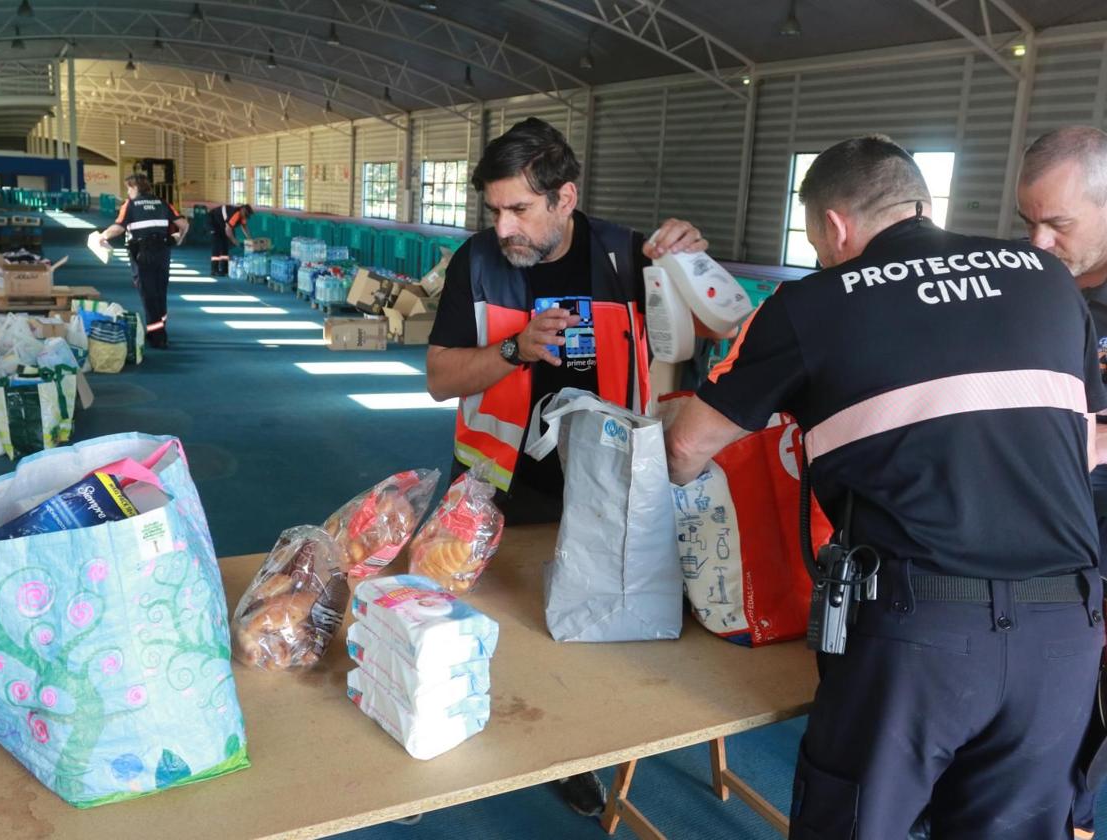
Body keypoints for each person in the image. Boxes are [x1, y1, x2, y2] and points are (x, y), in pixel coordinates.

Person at [666, 134, 1106, 839]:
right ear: (918, 202)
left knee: (861, 822)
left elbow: (686, 447)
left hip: (920, 631)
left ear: (835, 226)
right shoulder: (1046, 279)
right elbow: (1085, 448)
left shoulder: (811, 304)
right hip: (1064, 632)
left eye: (816, 241)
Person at [425, 117, 708, 818]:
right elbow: (439, 378)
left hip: (603, 483)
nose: (504, 226)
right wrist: (516, 350)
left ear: (565, 198)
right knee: (498, 626)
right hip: (497, 483)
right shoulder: (477, 264)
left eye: (519, 208)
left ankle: (569, 753)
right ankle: (470, 732)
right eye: (494, 210)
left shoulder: (626, 257)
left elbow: (707, 334)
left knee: (592, 628)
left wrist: (692, 263)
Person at [1017, 125, 1107, 840]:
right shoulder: (1031, 287)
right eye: (1028, 222)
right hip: (1037, 543)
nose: (1039, 242)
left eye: (1058, 224)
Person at [99, 173, 188, 349]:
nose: (128, 192)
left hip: (142, 254)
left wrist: (102, 236)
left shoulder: (130, 205)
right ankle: (161, 331)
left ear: (135, 187)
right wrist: (178, 239)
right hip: (163, 252)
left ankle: (157, 337)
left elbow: (118, 228)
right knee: (160, 292)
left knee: (148, 295)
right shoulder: (162, 202)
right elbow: (184, 225)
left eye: (128, 188)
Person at [209, 203, 252, 276]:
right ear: (242, 210)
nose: (246, 217)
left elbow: (244, 227)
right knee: (217, 245)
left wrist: (250, 239)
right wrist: (235, 241)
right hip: (213, 221)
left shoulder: (243, 215)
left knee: (225, 246)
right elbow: (228, 230)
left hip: (222, 223)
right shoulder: (236, 214)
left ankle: (224, 270)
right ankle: (214, 270)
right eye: (246, 215)